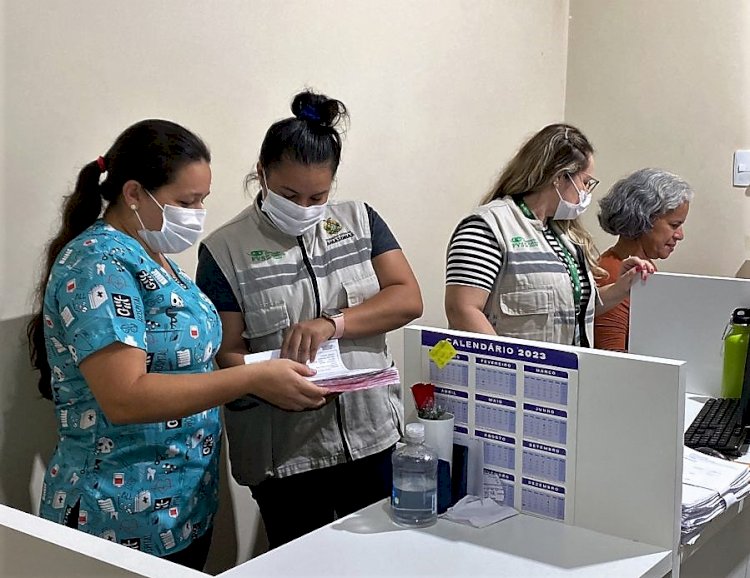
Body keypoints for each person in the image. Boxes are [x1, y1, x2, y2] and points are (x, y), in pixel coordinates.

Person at [27, 120, 329, 570]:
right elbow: (125, 397)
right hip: (117, 514)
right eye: (187, 202)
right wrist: (252, 376)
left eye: (203, 199)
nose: (198, 212)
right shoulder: (97, 264)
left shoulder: (150, 253)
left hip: (180, 508)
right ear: (133, 194)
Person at [196, 90, 423, 548]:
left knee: (383, 560)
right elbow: (225, 351)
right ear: (261, 173)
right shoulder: (224, 249)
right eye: (288, 193)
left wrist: (332, 323)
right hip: (286, 456)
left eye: (317, 195)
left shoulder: (360, 221)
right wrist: (265, 379)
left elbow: (407, 299)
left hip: (371, 435)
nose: (303, 206)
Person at [444, 123, 653, 346]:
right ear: (560, 177)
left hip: (562, 373)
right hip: (512, 375)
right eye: (585, 182)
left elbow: (573, 311)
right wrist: (506, 366)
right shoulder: (489, 227)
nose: (585, 192)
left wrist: (621, 288)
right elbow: (462, 310)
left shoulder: (564, 235)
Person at [594, 168, 693, 352]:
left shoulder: (643, 267)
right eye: (674, 225)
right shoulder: (611, 275)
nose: (680, 235)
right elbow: (612, 358)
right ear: (644, 219)